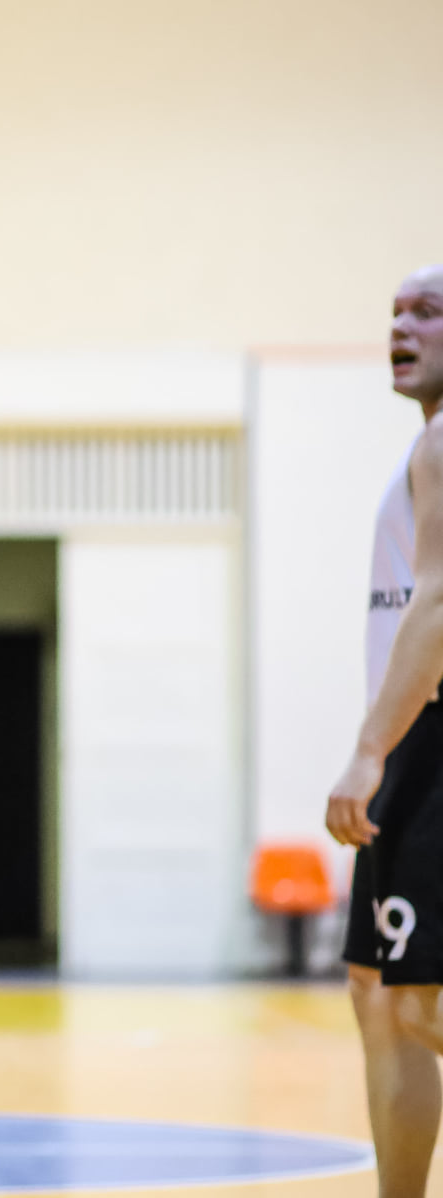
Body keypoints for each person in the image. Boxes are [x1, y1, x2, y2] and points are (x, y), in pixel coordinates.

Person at [327, 264, 443, 1198]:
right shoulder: (426, 444)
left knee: (415, 1002)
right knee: (380, 992)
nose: (400, 327)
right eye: (395, 312)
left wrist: (371, 750)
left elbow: (439, 602)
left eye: (427, 313)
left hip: (428, 738)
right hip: (414, 739)